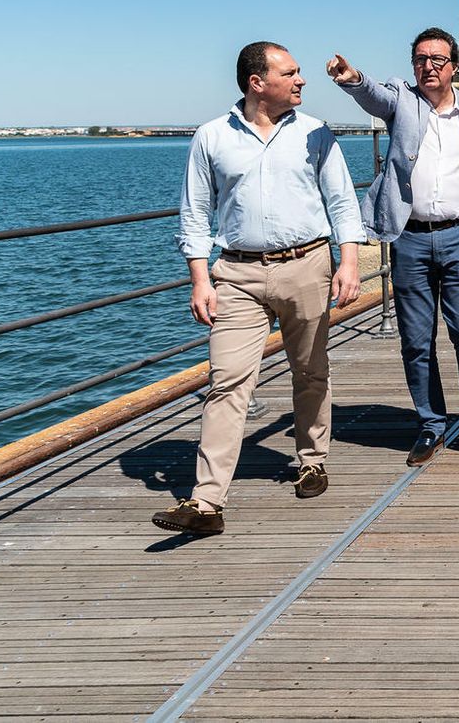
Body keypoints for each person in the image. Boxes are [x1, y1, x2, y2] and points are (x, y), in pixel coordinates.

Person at [153, 41, 366, 537]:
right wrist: (199, 278)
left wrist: (349, 262)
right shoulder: (211, 137)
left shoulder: (316, 133)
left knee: (310, 370)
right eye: (290, 73)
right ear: (257, 83)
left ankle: (311, 459)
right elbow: (195, 212)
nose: (301, 80)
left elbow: (342, 202)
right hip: (237, 274)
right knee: (227, 380)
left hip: (306, 265)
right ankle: (207, 502)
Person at [326, 27, 459, 465]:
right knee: (416, 339)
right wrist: (352, 78)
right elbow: (373, 95)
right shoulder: (402, 101)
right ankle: (431, 423)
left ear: (454, 67)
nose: (428, 67)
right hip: (409, 237)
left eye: (437, 60)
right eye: (420, 59)